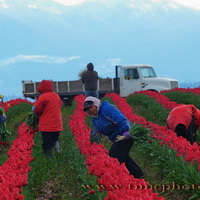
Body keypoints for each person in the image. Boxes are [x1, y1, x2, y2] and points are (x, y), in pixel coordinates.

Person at [83, 96, 144, 179]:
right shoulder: (95, 118)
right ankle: (138, 175)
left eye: (91, 107)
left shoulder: (106, 109)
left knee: (114, 157)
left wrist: (125, 134)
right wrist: (92, 144)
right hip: (117, 138)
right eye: (87, 109)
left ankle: (121, 177)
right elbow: (95, 133)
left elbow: (122, 120)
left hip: (125, 134)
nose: (90, 110)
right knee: (123, 156)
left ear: (96, 104)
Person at [33, 80, 63, 158]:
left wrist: (34, 111)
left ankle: (48, 157)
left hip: (46, 124)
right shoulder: (56, 96)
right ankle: (56, 145)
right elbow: (60, 105)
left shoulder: (43, 97)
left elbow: (37, 110)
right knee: (55, 138)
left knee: (47, 142)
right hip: (57, 123)